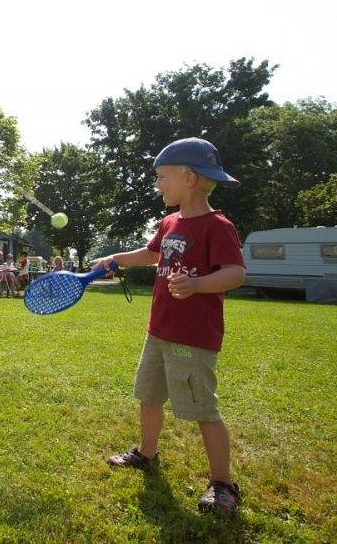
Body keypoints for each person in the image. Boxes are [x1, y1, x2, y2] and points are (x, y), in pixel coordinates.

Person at [94, 137, 246, 513]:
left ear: (189, 178)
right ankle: (146, 454)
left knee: (202, 409)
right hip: (158, 331)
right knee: (149, 395)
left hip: (192, 339)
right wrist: (116, 258)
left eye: (162, 177)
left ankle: (223, 484)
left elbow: (235, 273)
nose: (157, 184)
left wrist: (197, 284)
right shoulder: (169, 222)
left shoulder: (218, 226)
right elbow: (151, 253)